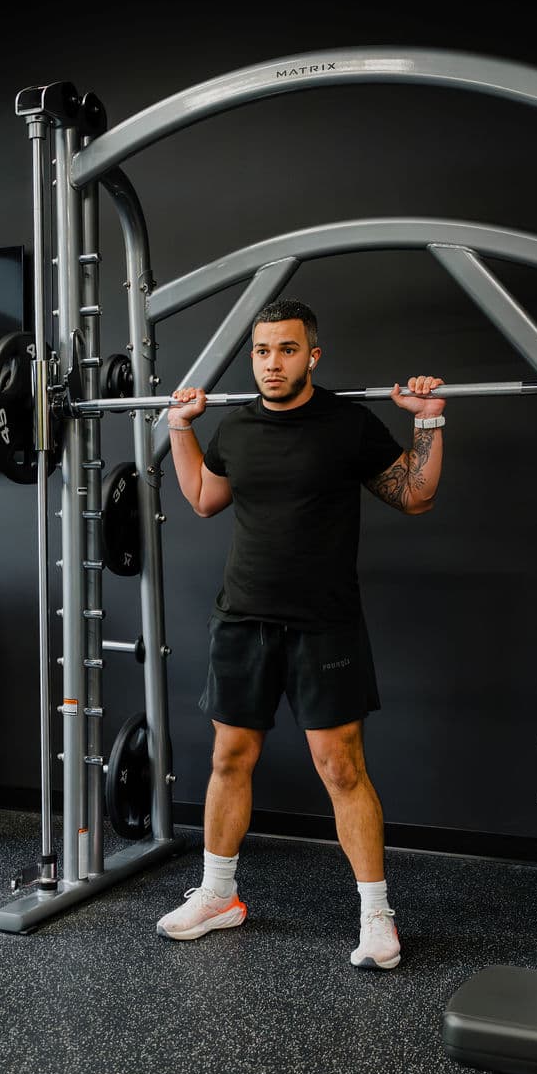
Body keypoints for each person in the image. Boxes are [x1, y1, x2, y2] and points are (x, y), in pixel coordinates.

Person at [157, 299, 445, 968]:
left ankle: (377, 917)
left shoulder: (348, 425)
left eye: (287, 350)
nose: (272, 363)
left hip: (325, 623)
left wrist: (429, 422)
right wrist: (180, 426)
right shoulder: (236, 427)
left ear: (312, 356)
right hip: (243, 617)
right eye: (261, 351)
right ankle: (218, 895)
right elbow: (203, 497)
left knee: (341, 767)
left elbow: (415, 494)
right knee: (230, 759)